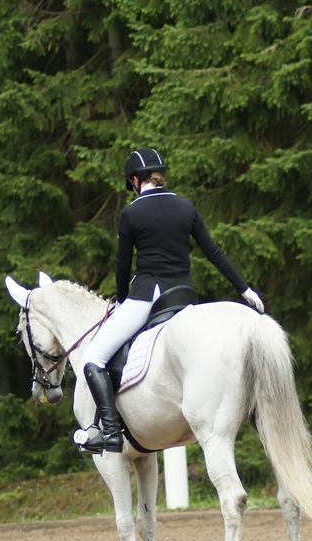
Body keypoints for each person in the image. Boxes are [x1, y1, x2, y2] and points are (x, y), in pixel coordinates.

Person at [75, 147, 265, 454]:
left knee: (93, 357)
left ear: (135, 180)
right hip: (184, 295)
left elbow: (123, 265)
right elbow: (213, 250)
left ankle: (109, 432)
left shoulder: (132, 213)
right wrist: (244, 289)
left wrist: (122, 300)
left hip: (147, 297)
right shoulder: (185, 206)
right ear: (160, 176)